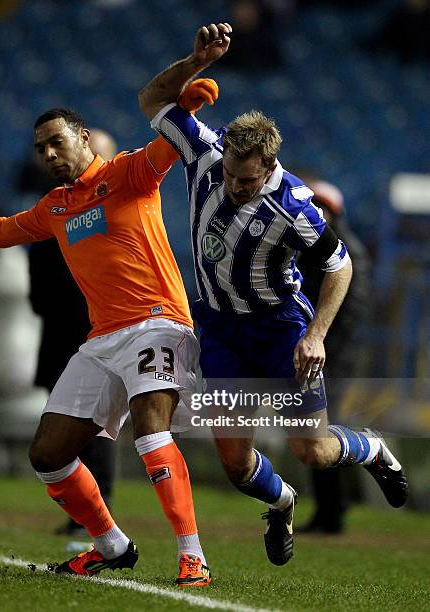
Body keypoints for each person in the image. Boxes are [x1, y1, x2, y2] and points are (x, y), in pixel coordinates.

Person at [0, 83, 217, 587]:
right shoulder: (56, 207)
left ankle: (192, 555)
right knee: (47, 454)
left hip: (159, 320)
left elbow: (169, 146)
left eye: (56, 142)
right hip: (103, 338)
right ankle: (111, 545)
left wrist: (188, 105)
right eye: (41, 148)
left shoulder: (127, 173)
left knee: (152, 431)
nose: (48, 154)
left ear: (83, 138)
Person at [139, 22, 408, 566]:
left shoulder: (296, 207)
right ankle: (281, 503)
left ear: (267, 167)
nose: (234, 186)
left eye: (246, 180)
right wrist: (195, 63)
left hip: (280, 329)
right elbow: (151, 98)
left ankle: (372, 447)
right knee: (237, 467)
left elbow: (341, 266)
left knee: (311, 449)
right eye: (231, 176)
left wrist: (316, 335)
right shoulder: (205, 156)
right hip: (218, 327)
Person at [27, 128, 118, 537]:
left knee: (95, 430)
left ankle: (97, 516)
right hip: (63, 335)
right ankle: (83, 515)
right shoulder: (53, 212)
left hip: (102, 336)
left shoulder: (122, 210)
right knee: (65, 429)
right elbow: (39, 290)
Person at [297, 178, 372, 534]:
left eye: (321, 206)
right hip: (320, 353)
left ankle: (334, 511)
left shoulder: (347, 255)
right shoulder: (311, 250)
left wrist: (325, 349)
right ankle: (330, 510)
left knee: (324, 429)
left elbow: (351, 313)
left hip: (334, 356)